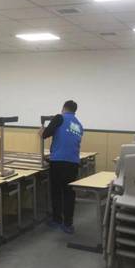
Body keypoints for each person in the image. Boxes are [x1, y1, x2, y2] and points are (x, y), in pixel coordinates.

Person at [39, 100, 83, 234]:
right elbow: (69, 141)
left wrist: (41, 131)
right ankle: (68, 224)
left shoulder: (59, 118)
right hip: (73, 162)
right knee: (69, 193)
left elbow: (45, 135)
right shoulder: (79, 125)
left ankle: (57, 220)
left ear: (63, 108)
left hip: (58, 162)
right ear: (74, 111)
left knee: (57, 191)